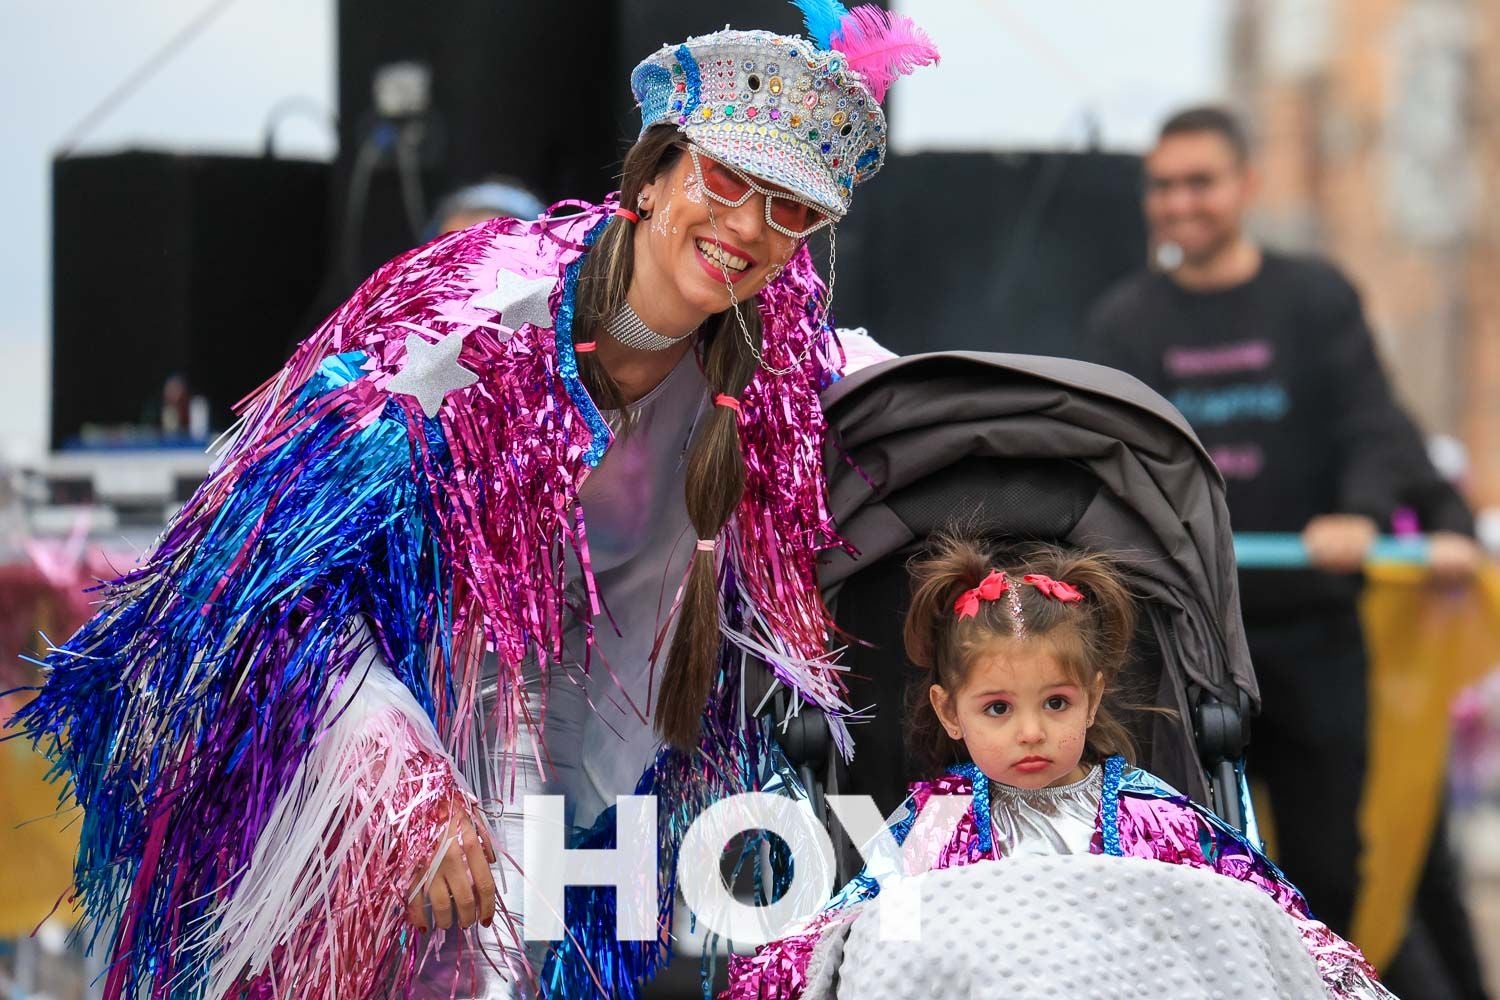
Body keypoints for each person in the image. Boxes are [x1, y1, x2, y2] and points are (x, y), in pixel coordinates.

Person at [16, 4, 936, 998]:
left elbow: (922, 401)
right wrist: (405, 793)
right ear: (658, 172)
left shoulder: (777, 363)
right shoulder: (472, 328)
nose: (749, 227)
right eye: (726, 180)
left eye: (790, 208)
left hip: (579, 815)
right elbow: (270, 594)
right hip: (370, 778)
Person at [1082, 106, 1483, 958]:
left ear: (1246, 186)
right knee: (1184, 870)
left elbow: (1374, 428)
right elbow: (1108, 464)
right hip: (1185, 643)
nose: (1181, 203)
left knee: (1331, 868)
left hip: (1313, 630)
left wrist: (1367, 520)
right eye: (1164, 186)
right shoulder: (1124, 323)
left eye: (1201, 182)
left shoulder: (1314, 298)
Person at [724, 536, 1395, 999]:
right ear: (950, 712)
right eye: (997, 709)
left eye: (1056, 702)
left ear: (1094, 698)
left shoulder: (1151, 814)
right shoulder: (942, 820)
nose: (1031, 731)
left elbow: (1250, 914)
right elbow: (884, 932)